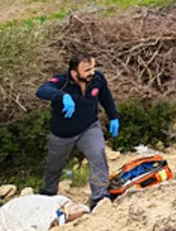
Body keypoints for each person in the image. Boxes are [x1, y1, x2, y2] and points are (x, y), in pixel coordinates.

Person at [36, 54, 119, 209]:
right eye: (87, 70)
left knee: (98, 157)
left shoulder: (97, 79)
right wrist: (63, 96)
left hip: (89, 127)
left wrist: (113, 116)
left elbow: (106, 97)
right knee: (54, 167)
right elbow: (41, 91)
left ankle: (100, 197)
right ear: (74, 73)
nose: (92, 72)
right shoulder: (62, 82)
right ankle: (47, 197)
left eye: (93, 67)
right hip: (62, 134)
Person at [0, 194, 90, 230]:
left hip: (9, 218)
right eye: (77, 206)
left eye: (78, 209)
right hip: (8, 212)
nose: (77, 206)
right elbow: (63, 200)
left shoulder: (50, 217)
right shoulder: (59, 202)